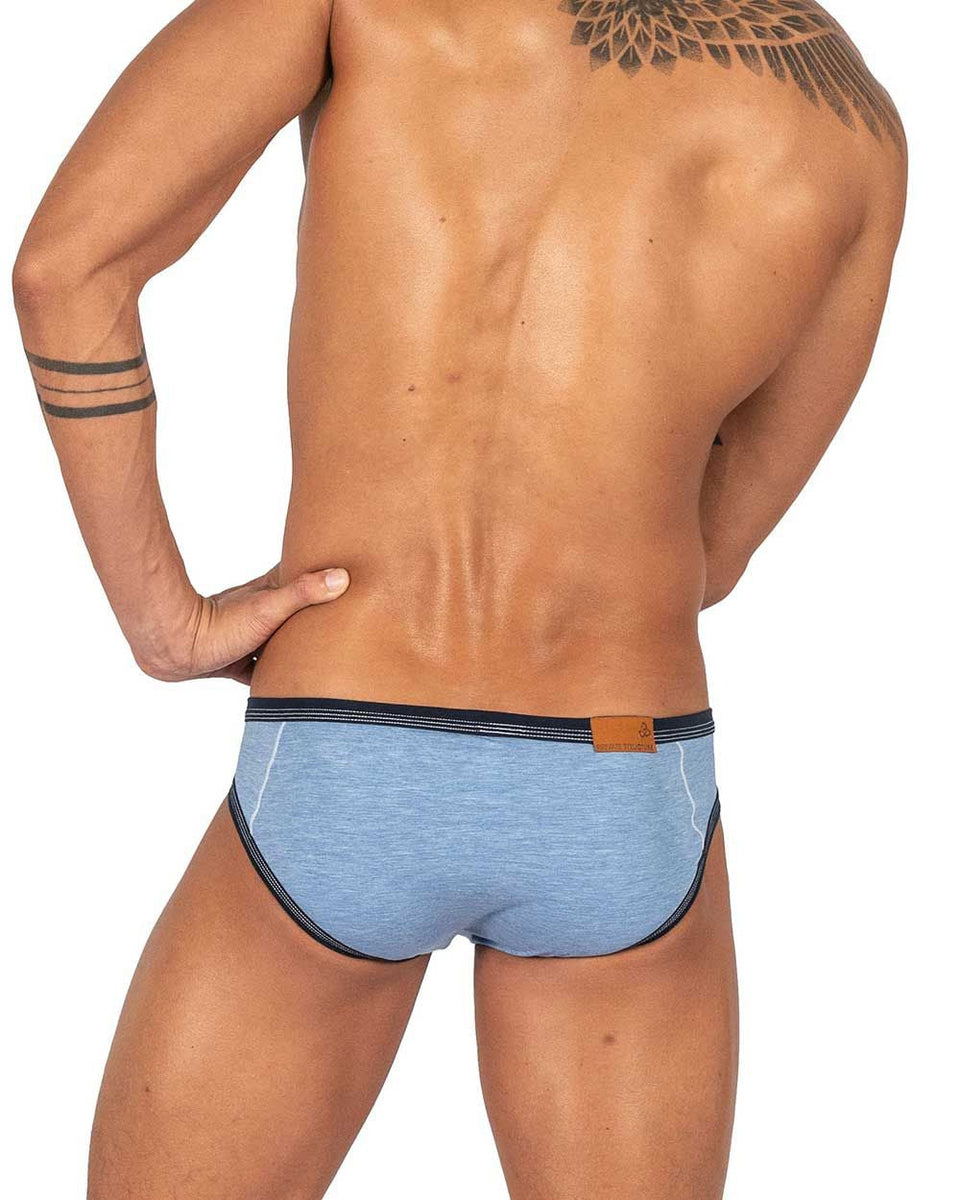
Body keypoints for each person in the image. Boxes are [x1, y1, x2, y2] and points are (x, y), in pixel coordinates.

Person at [12, 0, 906, 1196]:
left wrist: (164, 623)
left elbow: (66, 270)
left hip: (348, 733)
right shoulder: (845, 119)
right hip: (621, 759)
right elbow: (716, 552)